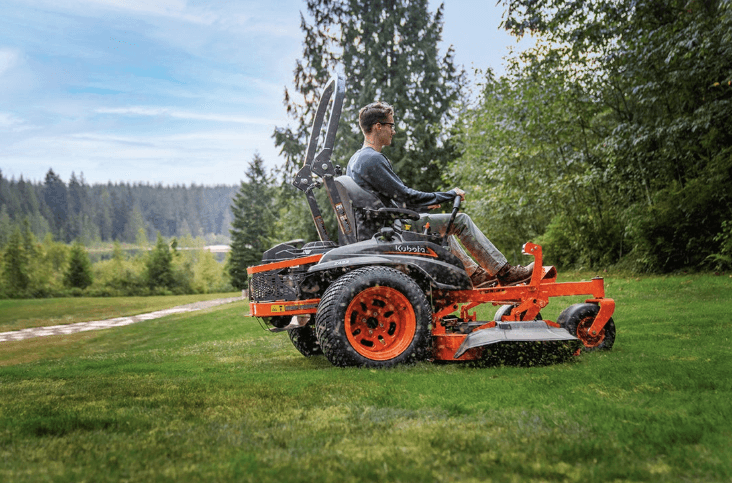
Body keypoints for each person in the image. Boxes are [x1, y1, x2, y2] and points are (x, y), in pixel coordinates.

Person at [346, 101, 534, 287]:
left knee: (444, 226)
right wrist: (449, 194)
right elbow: (405, 196)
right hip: (391, 230)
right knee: (461, 221)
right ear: (378, 127)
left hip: (380, 227)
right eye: (391, 125)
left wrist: (424, 205)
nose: (394, 131)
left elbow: (387, 200)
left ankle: (475, 275)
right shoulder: (372, 159)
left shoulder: (355, 160)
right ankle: (505, 272)